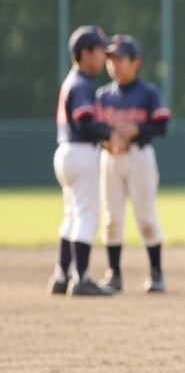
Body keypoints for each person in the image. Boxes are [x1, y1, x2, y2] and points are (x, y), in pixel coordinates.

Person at [96, 35, 172, 293]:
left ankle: (156, 273)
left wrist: (137, 130)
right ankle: (114, 274)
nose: (114, 64)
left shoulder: (148, 92)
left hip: (140, 157)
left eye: (120, 59)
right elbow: (93, 129)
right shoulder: (103, 95)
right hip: (111, 159)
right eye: (110, 59)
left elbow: (162, 125)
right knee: (111, 219)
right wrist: (106, 142)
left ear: (136, 62)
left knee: (146, 218)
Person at [50, 25, 116, 297]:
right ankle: (81, 279)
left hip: (66, 151)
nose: (103, 57)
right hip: (80, 152)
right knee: (87, 215)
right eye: (100, 51)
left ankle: (61, 276)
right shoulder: (82, 84)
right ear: (85, 53)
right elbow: (85, 122)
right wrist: (110, 133)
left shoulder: (72, 81)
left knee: (71, 215)